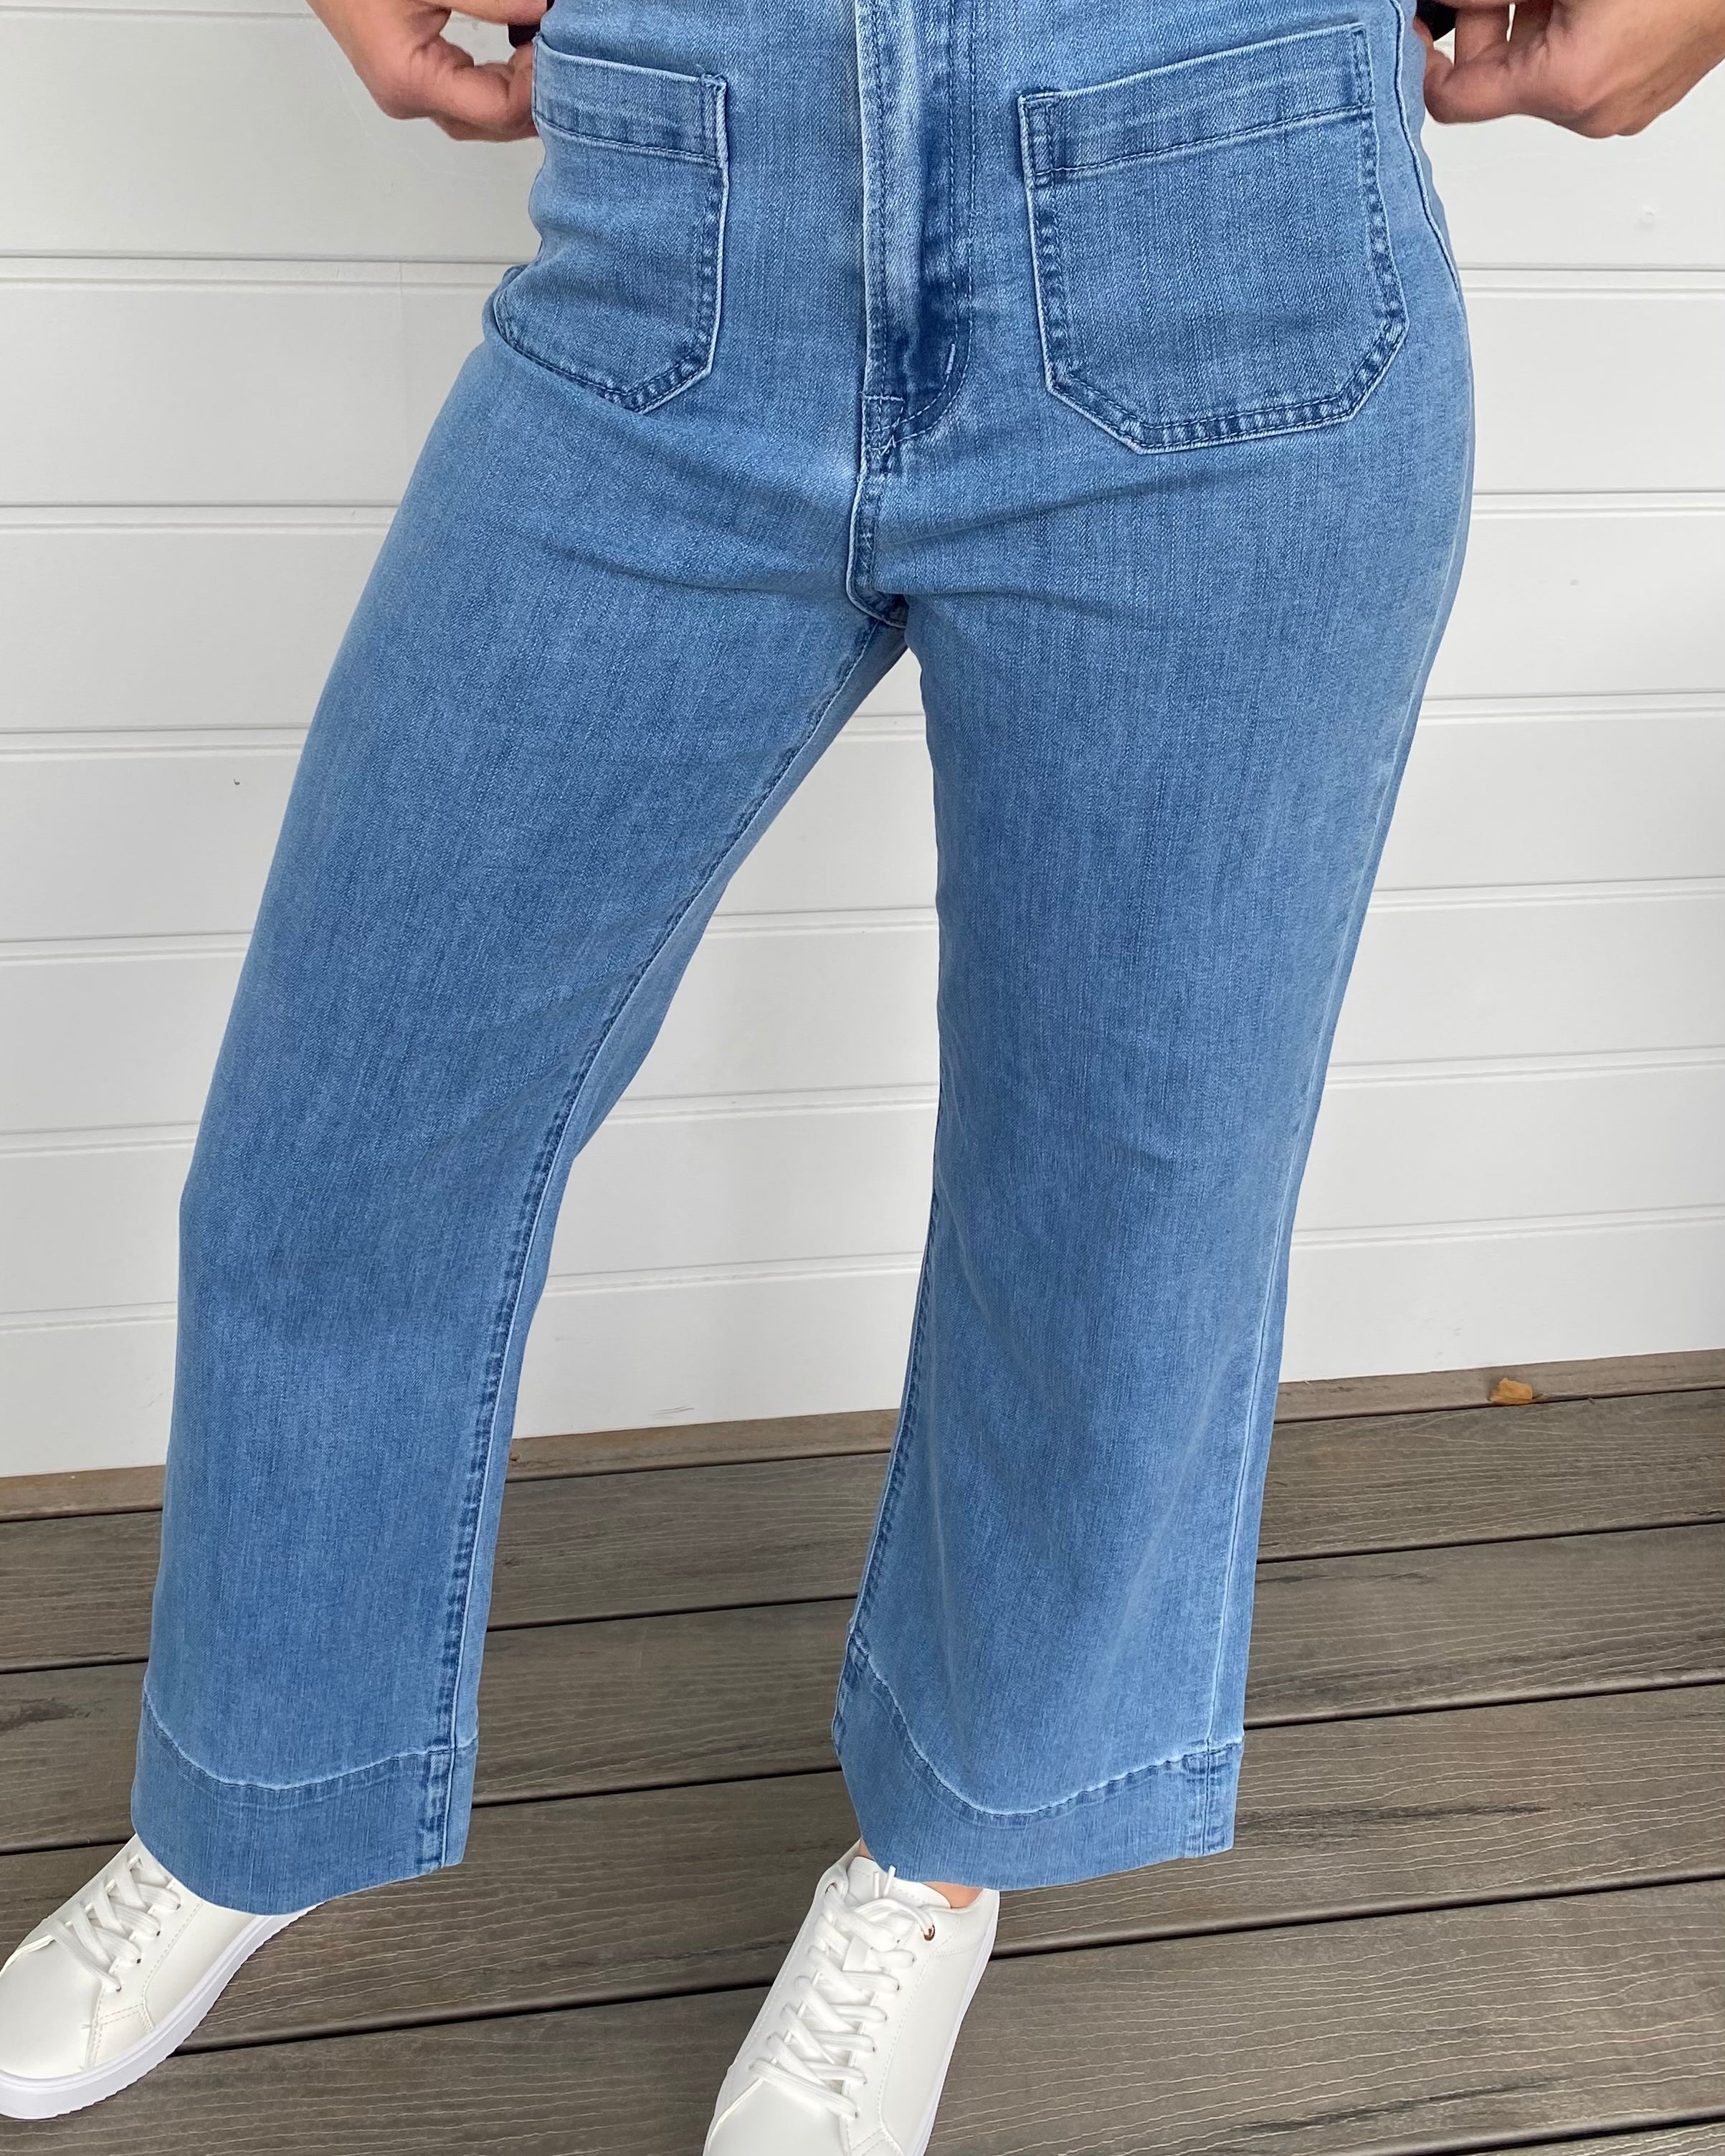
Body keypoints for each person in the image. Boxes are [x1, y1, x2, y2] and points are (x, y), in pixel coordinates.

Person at [1, 0, 1721, 2139]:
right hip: (683, 192)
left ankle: (943, 1853)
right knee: (347, 1131)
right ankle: (252, 1796)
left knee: (1118, 1192)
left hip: (1223, 206)